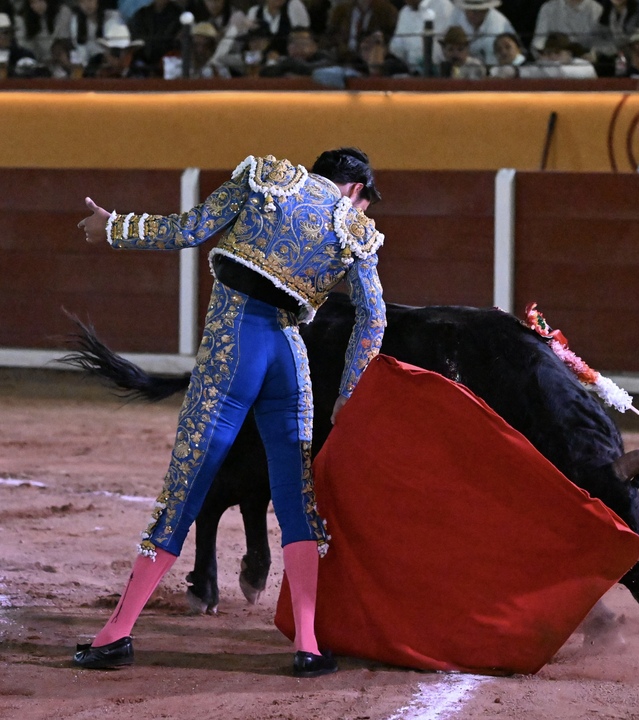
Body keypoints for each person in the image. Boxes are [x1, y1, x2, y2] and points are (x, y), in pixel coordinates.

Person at [72, 147, 386, 679]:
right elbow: (373, 318)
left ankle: (116, 634)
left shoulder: (267, 177)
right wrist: (348, 393)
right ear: (355, 189)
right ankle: (309, 645)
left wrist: (114, 226)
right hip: (289, 357)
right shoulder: (354, 231)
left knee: (187, 483)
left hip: (233, 343)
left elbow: (189, 229)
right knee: (296, 497)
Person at [388, 0, 454, 74]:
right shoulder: (404, 12)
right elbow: (396, 47)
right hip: (410, 71)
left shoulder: (442, 5)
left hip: (438, 70)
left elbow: (439, 44)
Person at [446, 0, 516, 67]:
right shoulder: (455, 16)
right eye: (469, 9)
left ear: (486, 10)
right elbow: (445, 45)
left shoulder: (497, 26)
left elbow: (493, 62)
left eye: (476, 11)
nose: (472, 14)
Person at [326, 0, 398, 63]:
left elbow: (390, 41)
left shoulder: (387, 12)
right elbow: (330, 37)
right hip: (341, 60)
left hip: (370, 63)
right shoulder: (340, 11)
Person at [531, 0, 603, 55]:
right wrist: (544, 54)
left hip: (583, 62)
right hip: (554, 61)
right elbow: (539, 41)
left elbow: (601, 43)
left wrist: (594, 54)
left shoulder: (596, 9)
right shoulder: (548, 8)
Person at [15, 0, 72, 67]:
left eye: (39, 1)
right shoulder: (23, 18)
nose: (35, 6)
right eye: (32, 3)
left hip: (61, 60)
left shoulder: (63, 12)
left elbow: (63, 41)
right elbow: (26, 47)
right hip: (39, 62)